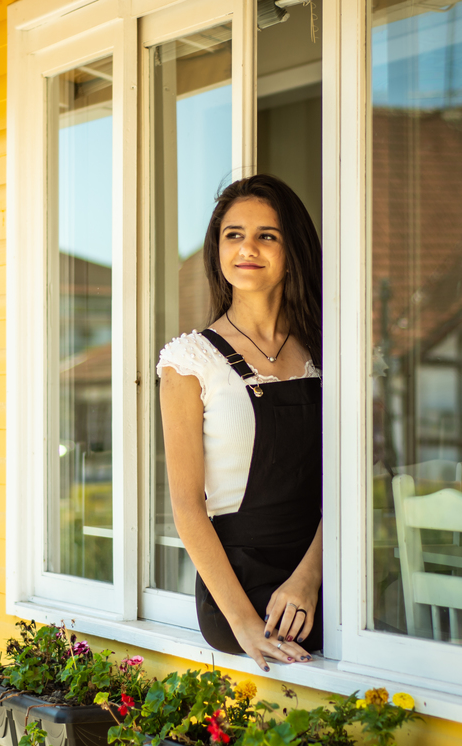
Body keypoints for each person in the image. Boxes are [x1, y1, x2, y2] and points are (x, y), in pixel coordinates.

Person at [157, 174, 323, 672]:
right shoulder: (190, 361)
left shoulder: (324, 351)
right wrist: (246, 624)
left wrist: (310, 577)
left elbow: (350, 483)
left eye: (266, 235)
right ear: (217, 249)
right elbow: (187, 508)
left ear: (291, 247)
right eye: (234, 235)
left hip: (324, 572)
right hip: (238, 587)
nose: (247, 248)